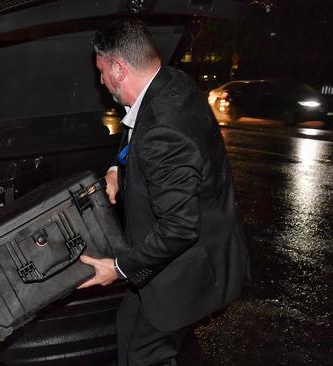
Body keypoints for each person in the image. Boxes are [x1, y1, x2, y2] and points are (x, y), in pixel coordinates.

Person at [78, 19, 250, 366]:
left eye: (101, 71)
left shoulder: (164, 132)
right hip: (175, 261)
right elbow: (133, 124)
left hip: (185, 272)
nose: (100, 80)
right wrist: (116, 170)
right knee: (129, 325)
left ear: (119, 69)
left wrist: (118, 268)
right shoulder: (171, 81)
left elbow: (178, 229)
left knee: (145, 354)